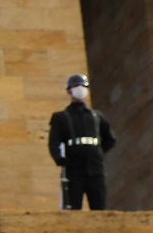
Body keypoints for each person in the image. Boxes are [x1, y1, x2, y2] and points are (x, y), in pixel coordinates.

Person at [48, 73, 116, 210]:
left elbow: (110, 139)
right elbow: (54, 141)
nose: (80, 89)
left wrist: (98, 152)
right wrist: (60, 159)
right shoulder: (61, 117)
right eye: (76, 86)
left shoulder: (97, 116)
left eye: (83, 86)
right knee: (74, 205)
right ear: (69, 91)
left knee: (99, 205)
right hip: (74, 164)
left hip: (95, 165)